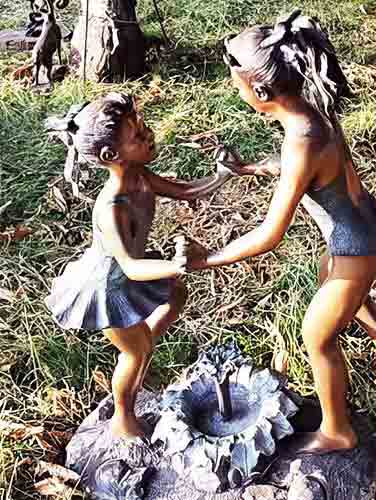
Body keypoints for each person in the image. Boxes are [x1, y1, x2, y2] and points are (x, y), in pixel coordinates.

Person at [188, 10, 376, 453]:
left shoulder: (300, 141)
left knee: (316, 336)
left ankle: (337, 431)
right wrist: (250, 169)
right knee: (333, 284)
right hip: (364, 221)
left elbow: (270, 234)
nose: (237, 93)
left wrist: (207, 259)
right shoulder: (312, 115)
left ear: (261, 92)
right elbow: (300, 169)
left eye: (237, 87)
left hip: (355, 245)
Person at [45, 92, 237, 439]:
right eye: (138, 136)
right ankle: (123, 418)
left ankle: (142, 340)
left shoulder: (140, 176)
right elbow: (131, 267)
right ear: (111, 155)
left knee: (175, 296)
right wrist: (177, 264)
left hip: (129, 274)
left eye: (144, 127)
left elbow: (184, 191)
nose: (149, 136)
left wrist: (222, 175)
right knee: (134, 355)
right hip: (108, 288)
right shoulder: (113, 208)